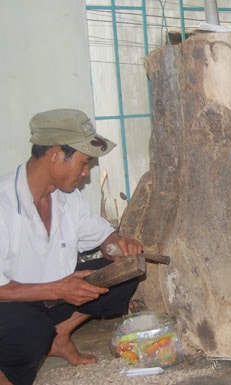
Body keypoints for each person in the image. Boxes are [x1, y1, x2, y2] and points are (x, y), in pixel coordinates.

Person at [0, 109, 143, 385]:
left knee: (127, 272)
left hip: (54, 296)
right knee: (30, 330)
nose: (86, 173)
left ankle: (59, 336)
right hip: (11, 303)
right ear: (55, 154)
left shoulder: (69, 199)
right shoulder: (3, 204)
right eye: (84, 162)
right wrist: (58, 288)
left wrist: (118, 247)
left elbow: (104, 237)